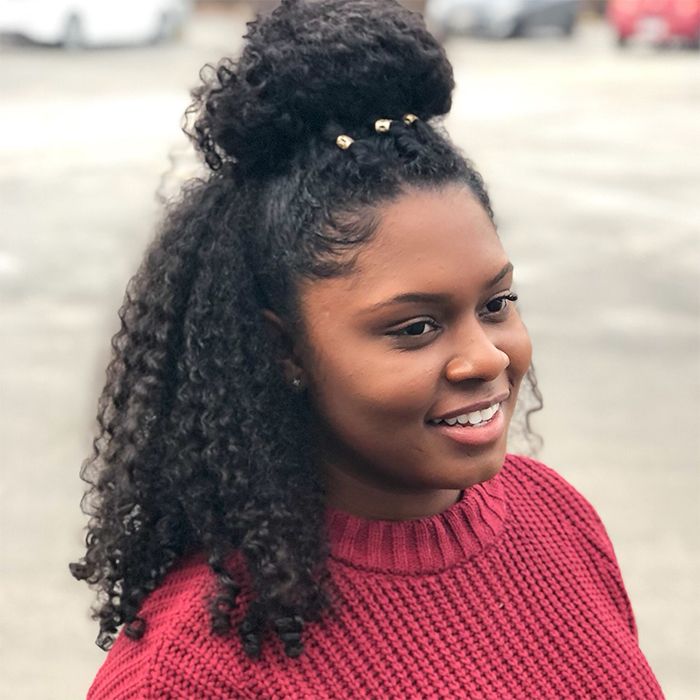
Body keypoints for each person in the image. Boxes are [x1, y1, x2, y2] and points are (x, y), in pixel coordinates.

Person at [71, 1, 664, 697]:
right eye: (414, 327)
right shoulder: (193, 673)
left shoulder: (557, 518)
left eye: (495, 304)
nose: (487, 358)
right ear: (281, 348)